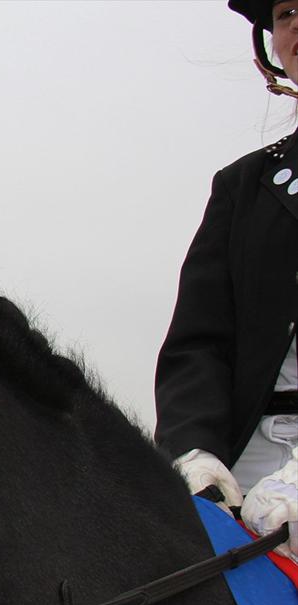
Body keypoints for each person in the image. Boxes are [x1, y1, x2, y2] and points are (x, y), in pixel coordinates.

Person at [154, 0, 298, 562]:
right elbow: (200, 341)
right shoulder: (242, 186)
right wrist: (195, 450)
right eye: (286, 11)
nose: (296, 24)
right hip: (251, 465)